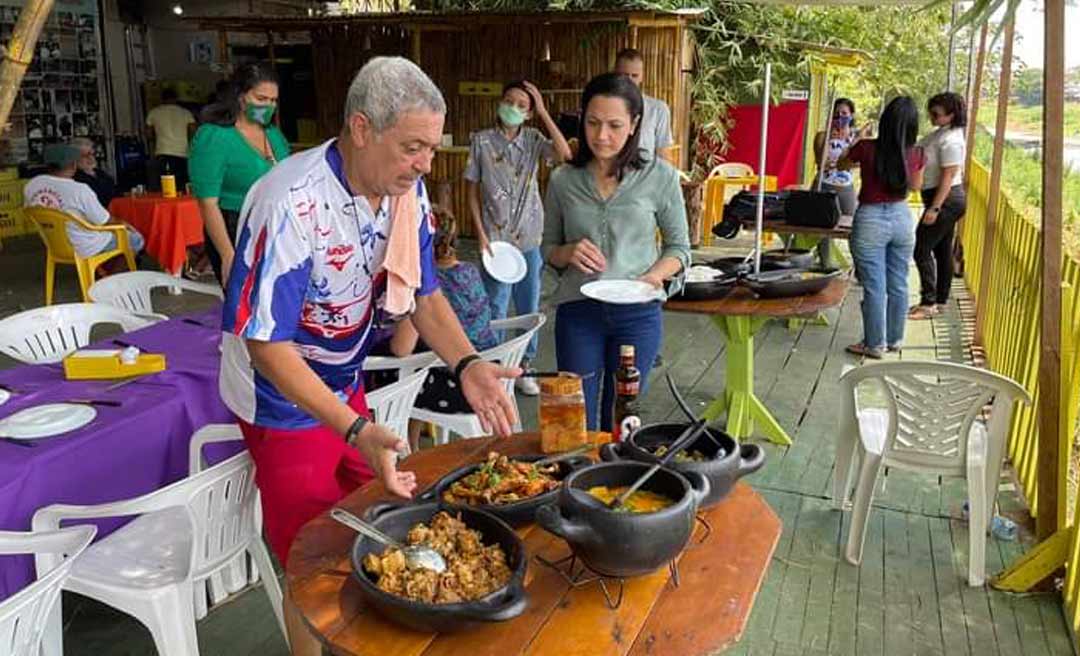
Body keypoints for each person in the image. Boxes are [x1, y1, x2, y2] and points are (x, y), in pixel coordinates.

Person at [218, 56, 520, 656]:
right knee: (310, 554)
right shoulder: (291, 203)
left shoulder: (404, 190)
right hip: (281, 396)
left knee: (378, 515)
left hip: (345, 379)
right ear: (361, 128)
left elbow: (423, 294)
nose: (425, 164)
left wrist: (468, 365)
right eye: (413, 147)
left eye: (431, 148)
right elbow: (266, 345)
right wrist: (353, 428)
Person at [542, 72, 689, 430]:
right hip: (578, 311)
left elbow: (679, 248)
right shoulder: (563, 180)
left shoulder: (660, 177)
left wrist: (653, 276)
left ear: (634, 124)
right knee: (575, 418)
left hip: (638, 314)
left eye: (614, 125)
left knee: (621, 416)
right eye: (592, 123)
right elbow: (547, 248)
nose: (601, 135)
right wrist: (568, 252)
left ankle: (616, 467)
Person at [464, 79, 572, 396]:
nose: (513, 108)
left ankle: (525, 367)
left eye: (522, 105)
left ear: (529, 113)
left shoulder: (534, 140)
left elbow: (565, 154)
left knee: (528, 304)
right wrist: (480, 235)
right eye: (509, 101)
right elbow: (471, 191)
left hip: (530, 237)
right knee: (495, 306)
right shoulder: (481, 141)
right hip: (494, 239)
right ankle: (497, 369)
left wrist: (544, 112)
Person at [838, 96, 926, 359]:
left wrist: (857, 139)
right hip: (902, 217)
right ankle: (895, 339)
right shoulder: (917, 153)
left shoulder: (866, 148)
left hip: (870, 218)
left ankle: (874, 344)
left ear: (885, 121)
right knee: (899, 282)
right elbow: (916, 186)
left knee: (874, 285)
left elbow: (841, 163)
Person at [189, 63, 290, 286]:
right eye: (261, 99)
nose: (268, 106)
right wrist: (228, 254)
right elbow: (207, 203)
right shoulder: (214, 136)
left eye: (273, 101)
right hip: (236, 226)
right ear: (241, 97)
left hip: (275, 226)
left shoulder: (273, 134)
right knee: (246, 300)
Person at [24, 143, 145, 262]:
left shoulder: (32, 184)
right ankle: (115, 273)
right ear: (74, 165)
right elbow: (105, 221)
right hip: (86, 247)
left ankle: (102, 269)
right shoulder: (79, 189)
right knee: (135, 239)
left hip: (55, 245)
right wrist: (125, 225)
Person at [909, 92, 968, 320]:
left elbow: (948, 176)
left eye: (936, 114)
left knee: (921, 248)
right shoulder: (941, 134)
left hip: (945, 199)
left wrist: (934, 208)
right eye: (931, 113)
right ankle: (940, 300)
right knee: (942, 250)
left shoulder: (952, 140)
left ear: (951, 115)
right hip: (940, 197)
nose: (932, 117)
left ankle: (928, 302)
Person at [613, 48, 674, 163]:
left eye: (634, 75)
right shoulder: (604, 108)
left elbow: (663, 154)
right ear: (615, 74)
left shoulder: (658, 109)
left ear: (642, 76)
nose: (629, 81)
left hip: (646, 172)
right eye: (625, 75)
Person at [145, 87, 196, 192]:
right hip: (182, 154)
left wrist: (152, 149)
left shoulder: (154, 113)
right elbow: (193, 132)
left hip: (162, 153)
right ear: (176, 99)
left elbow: (148, 134)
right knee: (182, 187)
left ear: (162, 99)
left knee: (165, 188)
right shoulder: (186, 113)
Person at [71, 138, 116, 207]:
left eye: (93, 154)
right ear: (74, 158)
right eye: (86, 156)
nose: (91, 158)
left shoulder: (100, 173)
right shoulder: (75, 179)